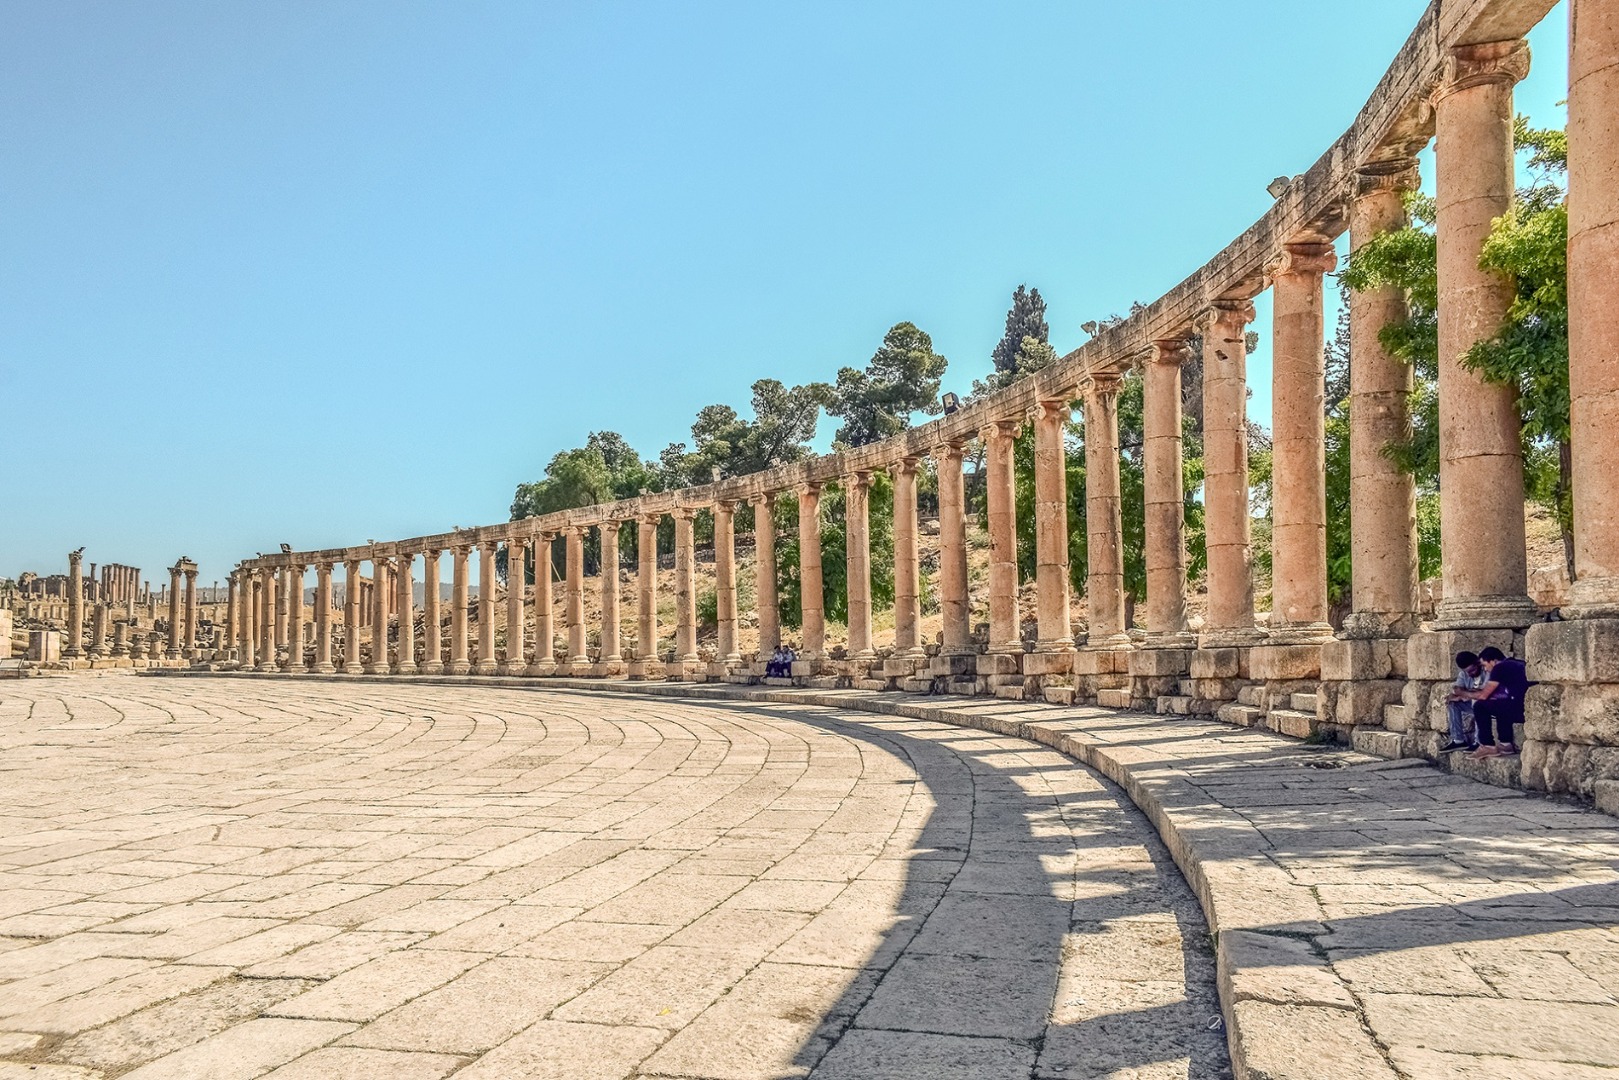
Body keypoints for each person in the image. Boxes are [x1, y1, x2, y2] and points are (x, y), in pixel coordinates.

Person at [1457, 646, 1530, 759]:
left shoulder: (1499, 667)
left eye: (1485, 665)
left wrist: (1464, 694)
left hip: (1520, 710)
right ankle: (1506, 745)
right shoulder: (1517, 663)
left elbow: (1483, 695)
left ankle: (1487, 745)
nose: (1485, 669)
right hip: (1527, 708)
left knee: (1480, 706)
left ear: (1493, 661)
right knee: (1500, 704)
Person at [1439, 651, 1486, 753]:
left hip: (1488, 706)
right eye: (1467, 672)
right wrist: (1456, 696)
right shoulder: (1464, 674)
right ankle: (1458, 741)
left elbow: (1484, 693)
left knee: (1477, 703)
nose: (1470, 674)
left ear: (1478, 663)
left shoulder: (1486, 671)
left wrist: (1465, 694)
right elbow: (1456, 692)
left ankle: (1479, 742)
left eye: (1472, 670)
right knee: (1453, 704)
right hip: (1473, 704)